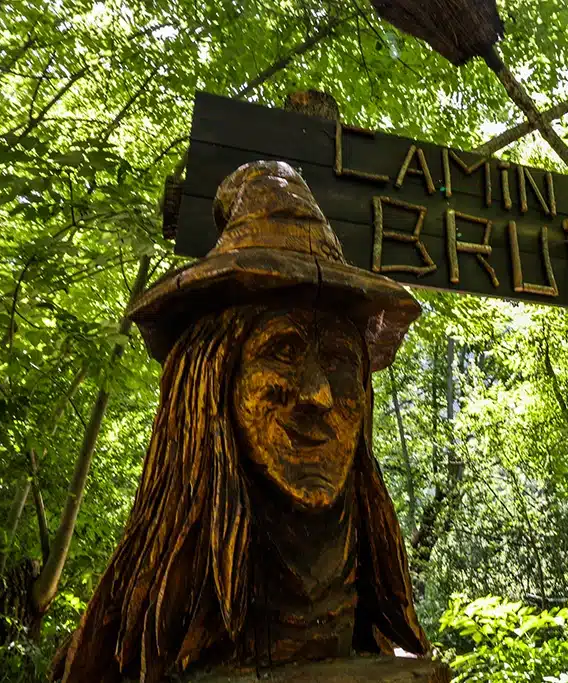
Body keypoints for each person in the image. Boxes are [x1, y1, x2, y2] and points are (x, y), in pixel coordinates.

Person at [50, 161, 427, 682]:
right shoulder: (121, 654)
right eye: (284, 351)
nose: (317, 394)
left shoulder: (377, 622)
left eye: (339, 360)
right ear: (212, 383)